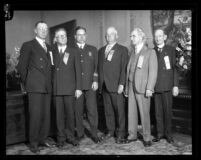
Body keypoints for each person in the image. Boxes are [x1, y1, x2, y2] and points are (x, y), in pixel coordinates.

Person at [17, 21, 54, 153]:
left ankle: (43, 139)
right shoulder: (28, 45)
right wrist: (28, 83)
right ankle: (33, 143)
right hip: (35, 87)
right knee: (35, 116)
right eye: (41, 28)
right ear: (35, 30)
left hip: (47, 87)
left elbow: (52, 67)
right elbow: (21, 66)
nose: (44, 31)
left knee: (46, 115)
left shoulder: (49, 48)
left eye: (45, 28)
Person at [125, 27, 158, 147]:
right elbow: (129, 70)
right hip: (131, 85)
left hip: (143, 87)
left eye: (133, 36)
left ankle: (147, 137)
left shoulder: (150, 52)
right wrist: (127, 88)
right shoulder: (132, 52)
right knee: (131, 112)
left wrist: (150, 88)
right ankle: (132, 135)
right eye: (131, 36)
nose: (131, 38)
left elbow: (153, 72)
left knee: (144, 113)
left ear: (140, 37)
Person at [52, 28, 82, 148]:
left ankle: (70, 137)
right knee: (59, 116)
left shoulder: (73, 51)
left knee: (70, 115)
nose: (63, 37)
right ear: (56, 39)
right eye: (60, 36)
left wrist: (78, 88)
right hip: (57, 89)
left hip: (70, 89)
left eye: (64, 35)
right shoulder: (51, 52)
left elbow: (78, 71)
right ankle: (61, 138)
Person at [98, 26, 128, 144]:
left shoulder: (122, 49)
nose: (108, 36)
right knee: (108, 110)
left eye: (111, 34)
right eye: (106, 34)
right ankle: (110, 130)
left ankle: (121, 133)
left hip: (116, 86)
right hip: (104, 85)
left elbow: (124, 68)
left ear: (116, 36)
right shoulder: (101, 50)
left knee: (119, 110)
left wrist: (122, 84)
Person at [74, 26, 103, 143]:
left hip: (90, 85)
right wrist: (75, 87)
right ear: (75, 37)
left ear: (86, 36)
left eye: (83, 34)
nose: (81, 37)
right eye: (79, 35)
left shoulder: (93, 49)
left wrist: (95, 80)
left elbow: (96, 67)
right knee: (78, 111)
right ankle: (80, 134)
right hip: (77, 87)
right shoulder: (71, 49)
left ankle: (94, 134)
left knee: (92, 111)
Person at [152, 28, 179, 144]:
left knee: (167, 111)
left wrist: (175, 85)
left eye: (160, 36)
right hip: (156, 87)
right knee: (158, 112)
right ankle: (159, 133)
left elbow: (175, 69)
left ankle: (168, 134)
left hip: (168, 86)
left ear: (165, 37)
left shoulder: (171, 50)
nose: (158, 38)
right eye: (156, 36)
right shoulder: (152, 51)